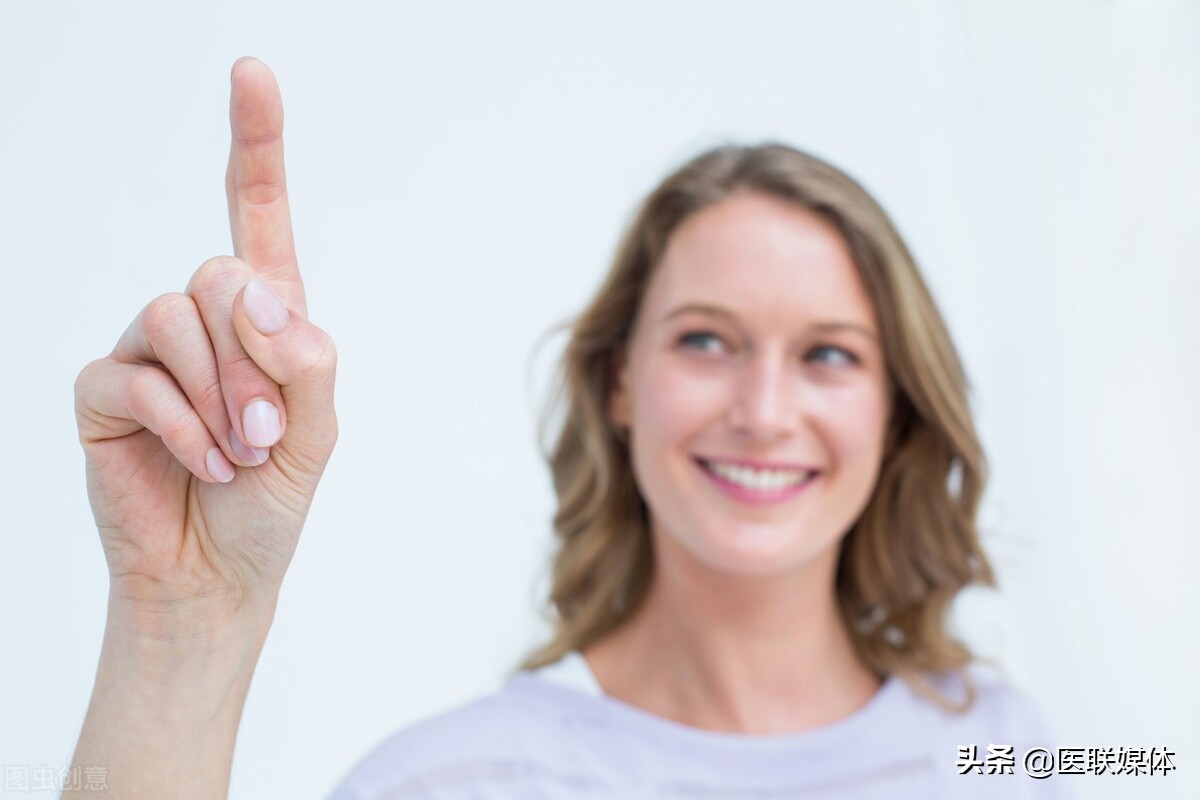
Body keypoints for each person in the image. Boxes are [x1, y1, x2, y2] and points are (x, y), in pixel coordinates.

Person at [66, 59, 1070, 799]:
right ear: (618, 381)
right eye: (707, 339)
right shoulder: (450, 781)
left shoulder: (1007, 751)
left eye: (831, 354)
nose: (764, 412)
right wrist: (181, 620)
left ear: (897, 411)